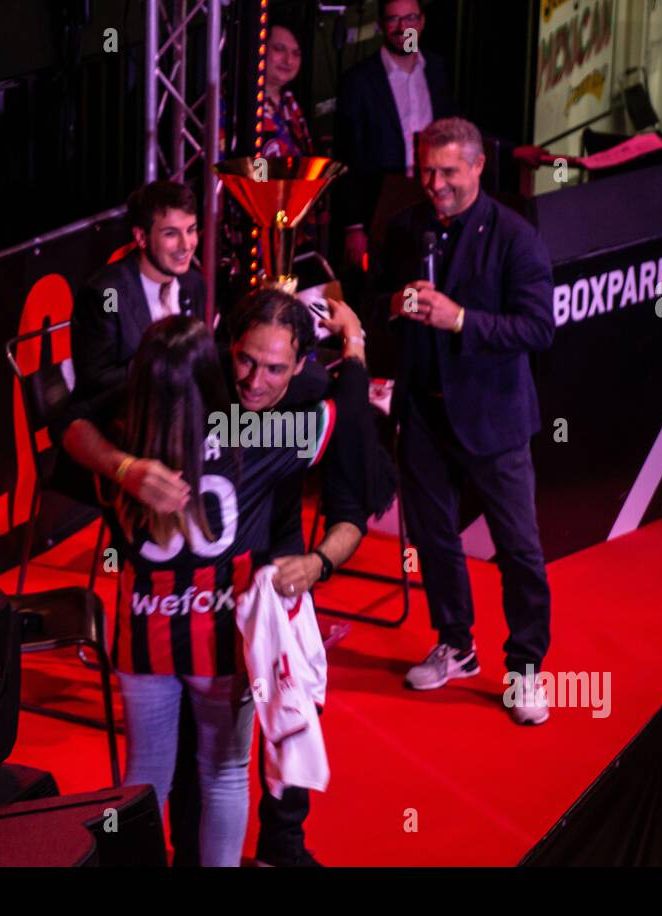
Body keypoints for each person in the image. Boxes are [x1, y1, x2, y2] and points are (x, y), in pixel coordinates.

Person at [62, 290, 387, 865]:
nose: (254, 379)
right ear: (217, 363)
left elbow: (65, 424)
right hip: (221, 637)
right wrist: (355, 347)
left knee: (144, 781)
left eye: (272, 367)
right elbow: (344, 416)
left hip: (144, 638)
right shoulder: (260, 441)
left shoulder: (120, 447)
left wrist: (123, 465)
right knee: (226, 773)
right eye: (242, 361)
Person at [376, 116, 555, 724]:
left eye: (448, 171)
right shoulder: (405, 228)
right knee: (433, 539)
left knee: (520, 551)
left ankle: (526, 669)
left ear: (479, 166)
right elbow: (376, 303)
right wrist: (395, 307)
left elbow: (538, 328)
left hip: (494, 420)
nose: (435, 183)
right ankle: (456, 643)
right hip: (422, 414)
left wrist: (459, 320)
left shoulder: (516, 235)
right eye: (426, 169)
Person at [334, 0, 459, 272]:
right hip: (380, 205)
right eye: (393, 19)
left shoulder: (437, 69)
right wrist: (353, 226)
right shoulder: (358, 81)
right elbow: (345, 156)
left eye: (410, 18)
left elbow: (456, 129)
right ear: (380, 25)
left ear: (422, 21)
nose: (403, 28)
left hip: (433, 197)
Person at [71, 181, 205, 400]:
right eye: (171, 234)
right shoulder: (107, 293)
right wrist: (164, 368)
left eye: (190, 230)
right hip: (121, 414)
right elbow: (97, 380)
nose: (186, 245)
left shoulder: (194, 283)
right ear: (141, 237)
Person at [259, 23, 314, 159]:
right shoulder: (236, 103)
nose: (288, 60)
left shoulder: (290, 104)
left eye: (296, 53)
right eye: (279, 49)